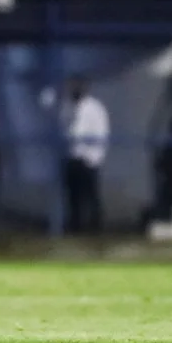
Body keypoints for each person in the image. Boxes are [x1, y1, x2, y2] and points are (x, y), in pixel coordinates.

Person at [60, 74, 109, 234]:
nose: (74, 89)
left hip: (88, 158)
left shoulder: (95, 108)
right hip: (71, 157)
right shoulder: (66, 106)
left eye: (77, 86)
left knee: (91, 195)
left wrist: (95, 157)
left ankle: (96, 228)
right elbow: (64, 130)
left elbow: (102, 133)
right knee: (73, 196)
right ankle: (76, 228)